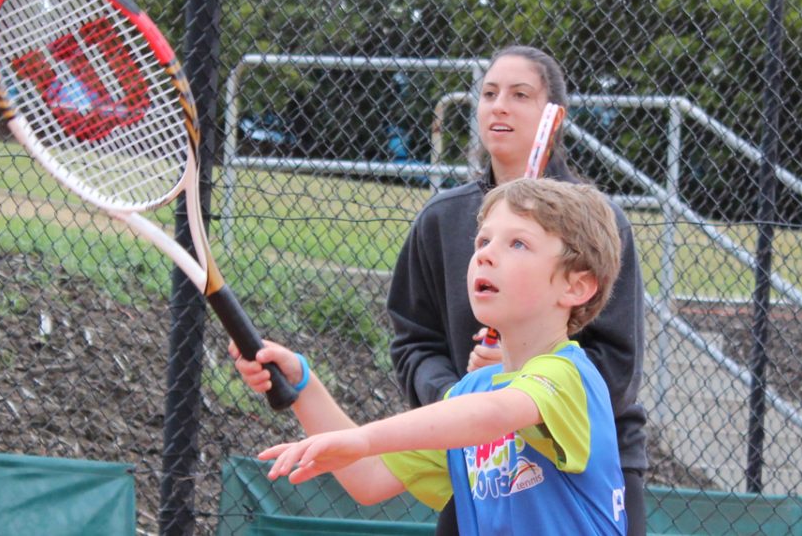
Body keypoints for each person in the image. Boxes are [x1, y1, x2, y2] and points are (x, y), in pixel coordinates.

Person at [232, 178, 627, 535]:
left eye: (518, 243)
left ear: (577, 287)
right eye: (483, 241)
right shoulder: (470, 393)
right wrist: (302, 384)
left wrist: (364, 438)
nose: (485, 255)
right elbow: (368, 478)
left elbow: (492, 416)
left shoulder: (569, 377)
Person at [387, 45, 648, 535]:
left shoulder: (594, 222)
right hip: (476, 456)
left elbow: (617, 361)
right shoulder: (441, 219)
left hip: (581, 457)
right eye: (488, 93)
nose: (498, 105)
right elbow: (412, 341)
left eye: (519, 94)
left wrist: (519, 389)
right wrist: (461, 400)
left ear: (554, 115)